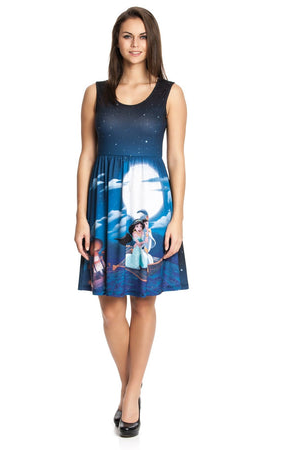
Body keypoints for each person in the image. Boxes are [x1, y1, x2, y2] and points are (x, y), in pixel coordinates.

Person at [74, 6, 189, 437]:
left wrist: (178, 218)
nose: (135, 44)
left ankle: (129, 397)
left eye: (142, 36)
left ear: (152, 41)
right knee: (109, 310)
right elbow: (87, 155)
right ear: (117, 41)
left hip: (152, 209)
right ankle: (133, 389)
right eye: (127, 36)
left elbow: (176, 159)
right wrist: (80, 215)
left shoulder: (171, 94)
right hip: (104, 207)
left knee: (143, 303)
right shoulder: (95, 93)